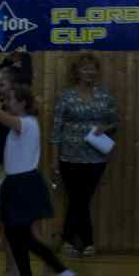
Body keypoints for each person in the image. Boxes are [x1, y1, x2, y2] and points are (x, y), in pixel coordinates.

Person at [0, 71, 77, 276]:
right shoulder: (19, 125)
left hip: (24, 185)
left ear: (22, 103)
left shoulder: (26, 123)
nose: (6, 103)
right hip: (13, 183)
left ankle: (63, 271)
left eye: (10, 100)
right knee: (13, 233)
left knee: (23, 235)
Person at [52, 53, 119, 258]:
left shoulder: (104, 95)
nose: (89, 72)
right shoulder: (66, 96)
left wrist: (105, 127)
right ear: (77, 72)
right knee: (77, 199)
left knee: (81, 199)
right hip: (69, 157)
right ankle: (86, 242)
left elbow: (115, 121)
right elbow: (56, 129)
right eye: (85, 68)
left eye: (93, 68)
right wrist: (54, 159)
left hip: (97, 157)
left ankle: (68, 240)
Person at [0, 50, 33, 276]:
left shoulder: (15, 110)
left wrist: (25, 56)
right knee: (18, 222)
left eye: (2, 84)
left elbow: (23, 78)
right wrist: (5, 62)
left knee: (7, 221)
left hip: (16, 172)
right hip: (11, 169)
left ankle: (13, 269)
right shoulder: (9, 106)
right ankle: (38, 267)